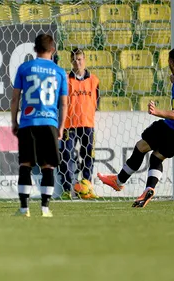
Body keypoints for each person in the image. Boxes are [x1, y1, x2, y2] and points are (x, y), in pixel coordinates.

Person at [98, 48, 174, 208]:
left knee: (140, 147)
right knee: (156, 157)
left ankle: (118, 181)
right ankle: (149, 188)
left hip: (173, 128)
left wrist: (157, 111)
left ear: (171, 63)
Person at [10, 33, 68, 218]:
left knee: (25, 164)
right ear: (53, 50)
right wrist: (61, 126)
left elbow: (15, 98)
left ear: (35, 49)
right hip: (49, 122)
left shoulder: (24, 68)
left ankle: (24, 209)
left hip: (28, 123)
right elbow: (64, 103)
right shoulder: (59, 72)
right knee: (48, 166)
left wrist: (14, 121)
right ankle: (45, 209)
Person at [59, 48, 100, 200]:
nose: (78, 62)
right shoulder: (66, 79)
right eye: (75, 59)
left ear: (85, 60)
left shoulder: (94, 80)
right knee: (66, 156)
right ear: (71, 61)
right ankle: (66, 189)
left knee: (88, 156)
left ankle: (87, 188)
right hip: (69, 125)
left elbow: (97, 101)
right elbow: (61, 102)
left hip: (87, 124)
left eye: (80, 59)